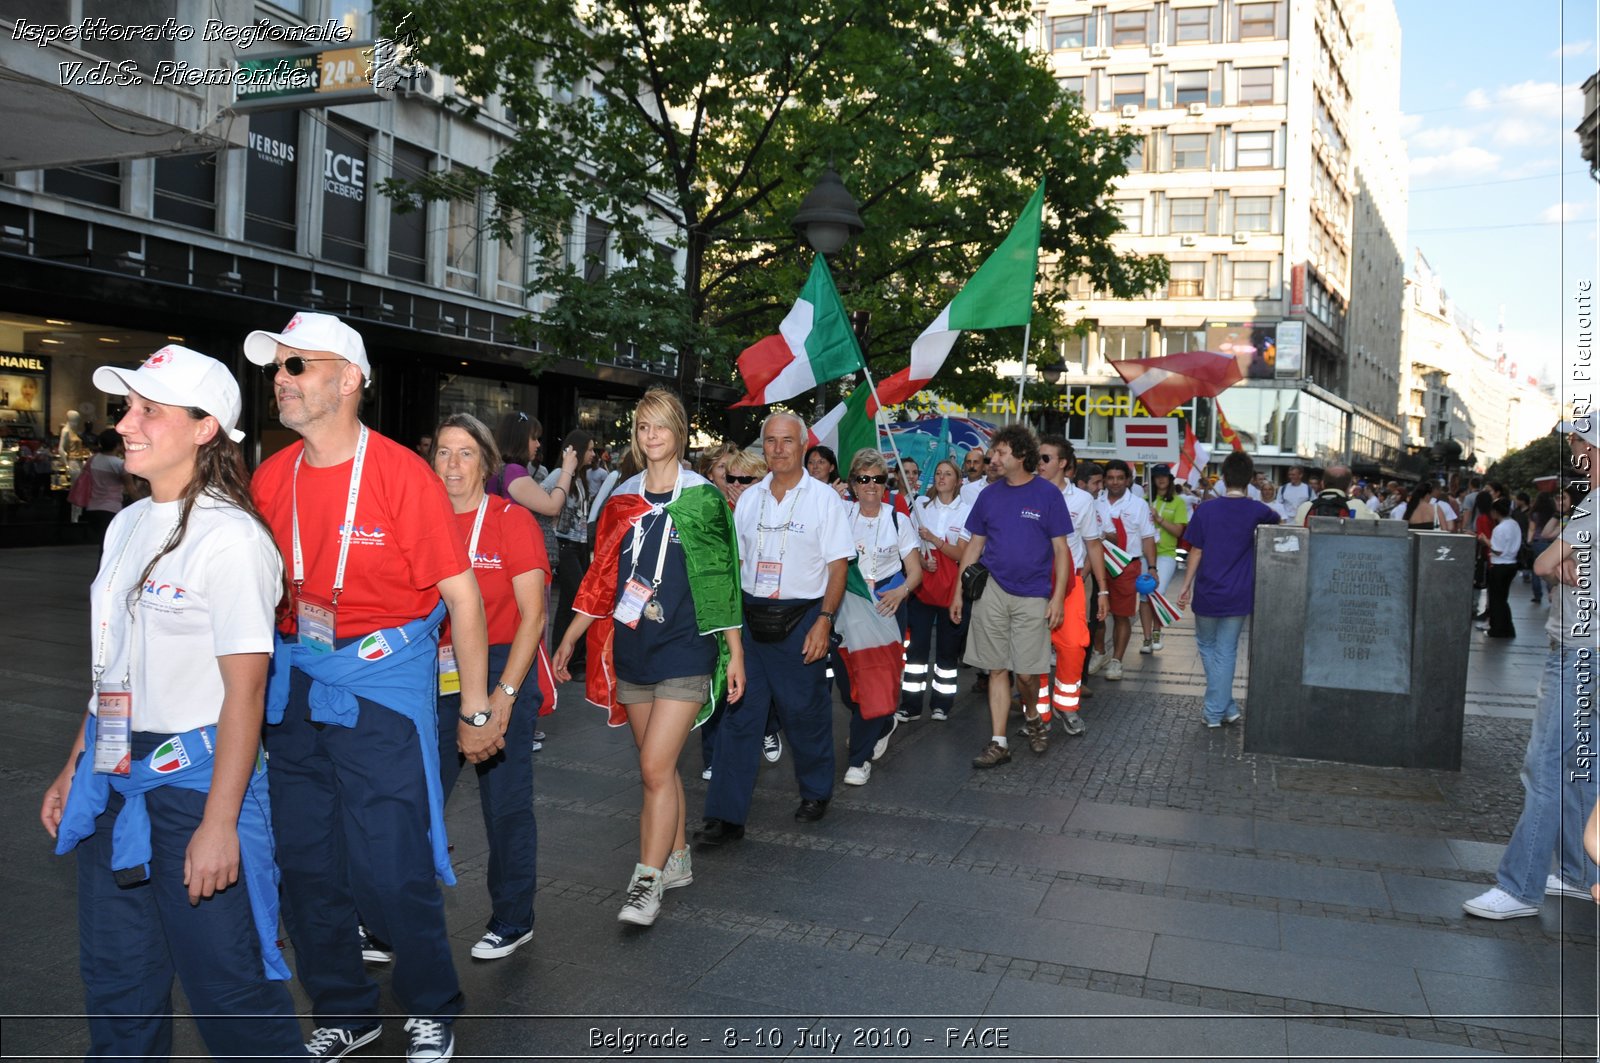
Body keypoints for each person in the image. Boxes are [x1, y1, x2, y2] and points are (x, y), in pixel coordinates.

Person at [40, 345, 306, 1061]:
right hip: (117, 775)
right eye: (128, 407)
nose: (126, 422)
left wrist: (220, 824)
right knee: (119, 991)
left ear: (204, 427)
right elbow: (111, 673)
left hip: (198, 787)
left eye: (147, 410)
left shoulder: (233, 538)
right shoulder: (127, 525)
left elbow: (246, 692)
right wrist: (76, 767)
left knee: (232, 998)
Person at [245, 311, 486, 1063]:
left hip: (379, 686)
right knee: (306, 859)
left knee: (390, 860)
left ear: (348, 378)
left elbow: (464, 598)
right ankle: (345, 1008)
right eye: (276, 368)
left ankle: (432, 1005)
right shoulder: (268, 476)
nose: (279, 380)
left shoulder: (399, 474)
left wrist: (478, 708)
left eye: (296, 366)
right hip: (295, 686)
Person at [555, 388, 745, 925]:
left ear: (680, 433)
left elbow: (722, 580)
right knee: (658, 771)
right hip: (633, 649)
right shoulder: (620, 501)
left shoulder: (705, 499)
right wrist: (570, 635)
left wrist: (735, 654)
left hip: (687, 650)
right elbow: (600, 580)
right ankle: (678, 857)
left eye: (661, 426)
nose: (651, 435)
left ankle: (646, 881)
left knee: (654, 766)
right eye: (643, 427)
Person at [1464, 421, 1599, 919]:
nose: (1575, 454)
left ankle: (1519, 888)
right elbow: (1555, 562)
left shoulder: (1595, 504)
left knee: (1543, 768)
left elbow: (1542, 565)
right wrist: (1563, 559)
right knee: (1584, 768)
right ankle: (1582, 873)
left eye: (1579, 446)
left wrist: (1558, 560)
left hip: (1579, 653)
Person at [699, 412, 850, 843]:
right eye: (770, 441)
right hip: (750, 618)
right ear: (761, 447)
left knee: (806, 713)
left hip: (803, 617)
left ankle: (817, 791)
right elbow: (740, 563)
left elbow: (838, 566)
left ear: (803, 444)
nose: (778, 448)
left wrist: (824, 620)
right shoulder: (749, 499)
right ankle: (725, 817)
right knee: (739, 715)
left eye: (786, 440)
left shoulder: (824, 500)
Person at [431, 413, 548, 959]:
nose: (453, 464)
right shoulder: (424, 519)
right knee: (416, 796)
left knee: (503, 803)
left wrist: (503, 694)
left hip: (503, 664)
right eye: (444, 452)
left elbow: (533, 616)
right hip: (433, 668)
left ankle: (512, 916)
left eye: (466, 453)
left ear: (486, 461)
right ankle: (388, 918)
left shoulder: (509, 518)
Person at [951, 424, 1070, 767]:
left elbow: (1061, 551)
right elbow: (975, 545)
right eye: (994, 452)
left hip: (1034, 594)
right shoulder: (989, 495)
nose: (993, 458)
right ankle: (999, 741)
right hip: (992, 590)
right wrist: (959, 592)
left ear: (1021, 455)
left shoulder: (1047, 495)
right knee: (997, 667)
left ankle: (1033, 713)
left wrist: (1058, 598)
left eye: (1001, 452)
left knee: (1028, 674)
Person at [1173, 451, 1280, 728]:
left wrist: (1185, 586)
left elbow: (1196, 551)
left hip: (1208, 590)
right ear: (1250, 480)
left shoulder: (1206, 509)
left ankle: (1213, 711)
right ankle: (1226, 706)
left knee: (1207, 646)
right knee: (1227, 650)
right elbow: (1277, 521)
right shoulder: (1259, 511)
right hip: (1241, 591)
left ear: (1223, 477)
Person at [833, 448, 921, 786]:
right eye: (863, 479)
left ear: (887, 484)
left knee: (876, 682)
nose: (871, 485)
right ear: (853, 484)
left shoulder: (898, 519)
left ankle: (860, 758)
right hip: (846, 609)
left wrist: (901, 592)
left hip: (887, 608)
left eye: (878, 479)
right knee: (847, 687)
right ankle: (882, 722)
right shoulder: (839, 515)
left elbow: (914, 572)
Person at [699, 448, 776, 780]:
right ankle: (713, 756)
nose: (735, 485)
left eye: (746, 479)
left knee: (762, 680)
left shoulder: (774, 512)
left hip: (763, 609)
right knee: (719, 679)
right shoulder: (714, 511)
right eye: (730, 477)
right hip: (723, 611)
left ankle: (769, 726)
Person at [1033, 437, 1106, 737]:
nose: (1039, 463)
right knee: (1032, 648)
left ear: (1063, 463)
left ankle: (1066, 706)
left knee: (1074, 646)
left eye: (1046, 458)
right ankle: (1037, 713)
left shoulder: (1082, 500)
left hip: (1071, 583)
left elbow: (1093, 544)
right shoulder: (1026, 493)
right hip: (1033, 582)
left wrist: (1102, 590)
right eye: (1037, 458)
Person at [899, 459, 971, 722]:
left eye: (948, 474)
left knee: (947, 647)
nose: (941, 478)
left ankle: (942, 703)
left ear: (958, 481)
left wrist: (936, 542)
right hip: (923, 586)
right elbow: (909, 545)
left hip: (953, 588)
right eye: (938, 473)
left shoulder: (966, 511)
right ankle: (910, 704)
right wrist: (921, 560)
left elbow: (963, 553)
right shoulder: (920, 506)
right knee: (916, 647)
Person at [1087, 459, 1156, 682]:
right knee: (1095, 615)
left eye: (1120, 478)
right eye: (1110, 478)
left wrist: (1152, 567)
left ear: (1128, 480)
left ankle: (1116, 660)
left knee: (1121, 615)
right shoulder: (1094, 502)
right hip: (1097, 563)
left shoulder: (1139, 505)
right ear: (1105, 480)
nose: (1115, 482)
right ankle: (1100, 652)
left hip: (1127, 566)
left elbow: (1147, 538)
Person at [1141, 463, 1188, 653]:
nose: (1161, 479)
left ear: (1170, 479)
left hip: (1166, 554)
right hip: (1145, 553)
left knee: (1157, 591)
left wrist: (1160, 520)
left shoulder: (1178, 502)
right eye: (1157, 476)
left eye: (1164, 476)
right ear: (1152, 480)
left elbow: (1178, 531)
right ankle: (1146, 639)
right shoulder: (1144, 500)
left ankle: (1156, 632)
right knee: (1144, 594)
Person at [1476, 497, 1519, 639]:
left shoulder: (1500, 528)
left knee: (1496, 600)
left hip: (1500, 565)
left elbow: (1497, 550)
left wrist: (1485, 541)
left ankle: (1497, 629)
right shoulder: (1514, 524)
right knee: (1502, 599)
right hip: (1511, 564)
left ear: (1495, 512)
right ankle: (1507, 628)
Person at [81, 427, 132, 543]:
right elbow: (131, 489)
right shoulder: (120, 464)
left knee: (103, 543)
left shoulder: (92, 460)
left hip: (92, 507)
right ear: (118, 445)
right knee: (110, 544)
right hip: (111, 508)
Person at [1292, 464, 1379, 524]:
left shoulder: (1305, 507)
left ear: (1322, 484)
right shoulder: (1358, 506)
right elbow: (1378, 524)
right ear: (1349, 487)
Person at [1526, 491, 1558, 605]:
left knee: (1536, 569)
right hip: (1551, 542)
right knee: (1550, 567)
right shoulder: (1554, 513)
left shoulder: (1534, 513)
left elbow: (1531, 529)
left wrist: (1529, 541)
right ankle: (1551, 593)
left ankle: (1537, 595)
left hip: (1538, 542)